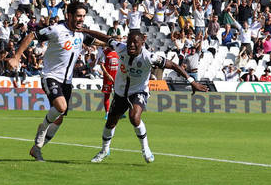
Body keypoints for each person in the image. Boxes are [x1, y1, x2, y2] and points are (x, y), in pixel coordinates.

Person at [87, 29, 208, 164]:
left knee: (134, 117)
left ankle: (145, 149)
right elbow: (104, 37)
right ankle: (104, 151)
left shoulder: (149, 57)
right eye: (129, 42)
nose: (131, 45)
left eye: (135, 42)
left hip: (138, 92)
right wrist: (85, 30)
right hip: (120, 92)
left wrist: (192, 81)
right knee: (110, 123)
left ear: (142, 42)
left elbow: (173, 65)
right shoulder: (119, 48)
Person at [7, 1, 95, 161]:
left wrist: (117, 44)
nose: (81, 19)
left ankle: (37, 148)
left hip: (67, 81)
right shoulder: (57, 30)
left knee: (59, 118)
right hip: (51, 76)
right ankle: (42, 129)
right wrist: (17, 56)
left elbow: (97, 41)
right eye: (78, 16)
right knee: (61, 107)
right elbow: (32, 35)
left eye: (83, 16)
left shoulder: (81, 33)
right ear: (69, 16)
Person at [96, 42, 119, 118]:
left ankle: (119, 112)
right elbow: (102, 65)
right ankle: (107, 113)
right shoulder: (105, 52)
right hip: (108, 77)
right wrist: (107, 74)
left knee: (118, 95)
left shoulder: (118, 51)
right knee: (107, 95)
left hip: (117, 77)